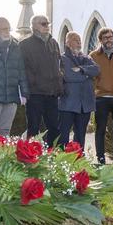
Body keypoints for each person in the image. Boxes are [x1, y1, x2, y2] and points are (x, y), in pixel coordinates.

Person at [21, 15, 63, 145]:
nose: (47, 26)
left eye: (48, 24)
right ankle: (31, 159)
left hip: (52, 93)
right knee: (33, 129)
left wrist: (59, 84)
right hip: (35, 93)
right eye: (43, 24)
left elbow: (59, 64)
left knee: (55, 128)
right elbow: (22, 69)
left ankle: (54, 158)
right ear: (34, 26)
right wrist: (29, 85)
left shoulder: (53, 43)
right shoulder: (25, 45)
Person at [90, 27, 113, 165]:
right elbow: (92, 78)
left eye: (111, 37)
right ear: (100, 40)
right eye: (105, 38)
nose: (109, 40)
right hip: (101, 98)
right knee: (100, 129)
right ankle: (100, 158)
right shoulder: (93, 56)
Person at [58, 32, 100, 148]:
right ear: (67, 42)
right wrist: (87, 75)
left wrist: (81, 69)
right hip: (68, 103)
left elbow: (96, 70)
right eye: (75, 40)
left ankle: (78, 159)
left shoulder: (86, 58)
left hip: (85, 104)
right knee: (63, 136)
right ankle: (61, 161)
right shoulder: (62, 58)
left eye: (80, 40)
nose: (79, 42)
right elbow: (69, 76)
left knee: (80, 136)